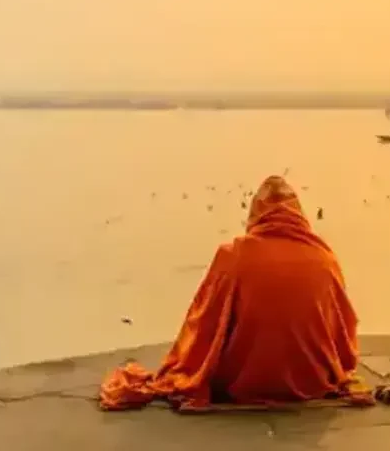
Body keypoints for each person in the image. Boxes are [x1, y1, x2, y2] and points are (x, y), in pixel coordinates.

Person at [99, 175, 374, 411]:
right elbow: (342, 333)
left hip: (241, 382)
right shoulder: (325, 257)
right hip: (311, 379)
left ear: (256, 212)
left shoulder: (234, 254)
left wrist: (186, 367)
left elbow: (203, 325)